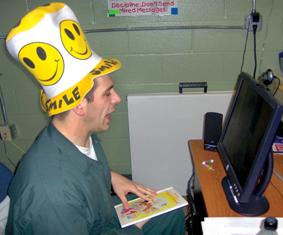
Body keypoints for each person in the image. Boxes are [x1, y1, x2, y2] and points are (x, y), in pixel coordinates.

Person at [5, 2, 185, 234]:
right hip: (83, 224)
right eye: (108, 93)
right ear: (80, 106)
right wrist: (136, 227)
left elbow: (79, 167)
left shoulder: (76, 135)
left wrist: (111, 177)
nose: (117, 98)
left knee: (170, 213)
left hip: (94, 216)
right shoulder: (52, 194)